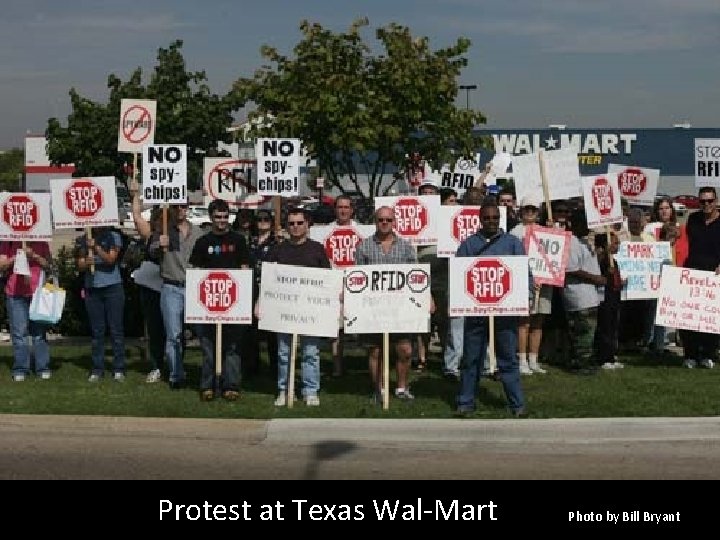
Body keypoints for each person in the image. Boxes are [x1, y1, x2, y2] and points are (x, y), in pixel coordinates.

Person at [455, 202, 530, 418]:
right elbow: (459, 275)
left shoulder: (512, 243)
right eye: (487, 218)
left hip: (505, 314)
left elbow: (523, 272)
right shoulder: (468, 245)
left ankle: (517, 405)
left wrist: (527, 297)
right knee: (471, 359)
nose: (491, 221)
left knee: (508, 358)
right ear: (480, 219)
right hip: (476, 314)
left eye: (495, 218)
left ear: (500, 219)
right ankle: (466, 402)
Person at [355, 206, 433, 401]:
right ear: (375, 221)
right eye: (381, 220)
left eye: (388, 220)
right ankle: (378, 390)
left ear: (394, 222)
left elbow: (417, 277)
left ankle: (401, 388)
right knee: (375, 350)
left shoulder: (406, 248)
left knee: (405, 349)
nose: (384, 223)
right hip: (373, 308)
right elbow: (357, 276)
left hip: (401, 308)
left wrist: (428, 297)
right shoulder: (364, 247)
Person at [261, 208, 331, 406]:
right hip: (283, 311)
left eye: (300, 223)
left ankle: (310, 390)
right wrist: (260, 303)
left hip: (311, 311)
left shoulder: (317, 249)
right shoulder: (278, 250)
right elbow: (267, 281)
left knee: (310, 352)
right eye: (291, 223)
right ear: (286, 226)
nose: (296, 227)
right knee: (284, 352)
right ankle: (284, 389)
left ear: (307, 225)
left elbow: (327, 280)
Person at [134, 200, 203, 389]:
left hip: (195, 287)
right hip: (172, 288)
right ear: (170, 209)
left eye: (184, 206)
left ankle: (206, 374)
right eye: (176, 206)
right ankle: (176, 375)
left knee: (202, 333)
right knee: (173, 335)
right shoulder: (163, 230)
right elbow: (151, 250)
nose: (181, 210)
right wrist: (158, 245)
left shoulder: (198, 232)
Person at [189, 199, 251, 401]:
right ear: (211, 217)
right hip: (207, 304)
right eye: (218, 217)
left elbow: (244, 268)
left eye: (225, 217)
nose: (222, 221)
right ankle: (208, 385)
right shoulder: (203, 243)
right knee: (208, 347)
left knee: (232, 347)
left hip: (233, 303)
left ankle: (230, 385)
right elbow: (195, 271)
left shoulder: (238, 241)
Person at [74, 227, 127, 382]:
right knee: (97, 332)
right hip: (92, 289)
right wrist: (86, 262)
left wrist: (95, 247)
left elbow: (111, 259)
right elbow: (80, 265)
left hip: (113, 287)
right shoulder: (83, 239)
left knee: (116, 330)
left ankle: (119, 368)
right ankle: (97, 369)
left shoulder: (113, 236)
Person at [509, 195, 551, 375]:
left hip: (544, 281)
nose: (530, 213)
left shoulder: (546, 231)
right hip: (524, 282)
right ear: (521, 211)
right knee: (523, 322)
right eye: (527, 209)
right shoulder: (515, 232)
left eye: (533, 209)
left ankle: (534, 359)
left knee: (538, 322)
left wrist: (552, 231)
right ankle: (522, 360)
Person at [0, 241, 53, 381]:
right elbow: (2, 265)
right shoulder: (8, 241)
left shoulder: (41, 240)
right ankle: (21, 368)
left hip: (38, 293)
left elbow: (48, 264)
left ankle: (42, 367)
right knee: (19, 333)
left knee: (39, 333)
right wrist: (17, 256)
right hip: (15, 293)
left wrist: (33, 255)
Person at [562, 208, 605, 375]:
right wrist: (595, 279)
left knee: (589, 332)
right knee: (583, 332)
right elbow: (571, 269)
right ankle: (581, 363)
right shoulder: (571, 242)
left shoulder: (583, 242)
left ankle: (585, 360)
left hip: (589, 295)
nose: (588, 229)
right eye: (585, 225)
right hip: (578, 296)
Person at [681, 187, 720, 369]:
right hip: (692, 273)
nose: (706, 205)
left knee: (710, 319)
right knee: (688, 317)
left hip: (715, 275)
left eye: (710, 201)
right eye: (703, 201)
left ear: (716, 201)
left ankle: (708, 355)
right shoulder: (693, 219)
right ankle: (690, 354)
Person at [243, 208, 281, 379]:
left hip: (271, 288)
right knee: (250, 332)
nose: (263, 222)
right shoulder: (249, 241)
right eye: (259, 219)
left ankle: (275, 369)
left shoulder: (277, 242)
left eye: (266, 219)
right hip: (251, 287)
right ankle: (251, 368)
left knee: (272, 332)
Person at [329, 195, 356, 377]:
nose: (343, 210)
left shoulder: (362, 230)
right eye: (340, 207)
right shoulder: (325, 231)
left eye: (346, 207)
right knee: (335, 330)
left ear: (351, 209)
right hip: (334, 285)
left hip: (356, 284)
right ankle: (337, 368)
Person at [594, 232, 624, 369]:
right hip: (604, 297)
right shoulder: (601, 259)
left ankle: (611, 355)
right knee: (605, 327)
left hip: (615, 296)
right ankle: (603, 357)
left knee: (613, 326)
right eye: (615, 242)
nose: (617, 245)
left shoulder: (614, 260)